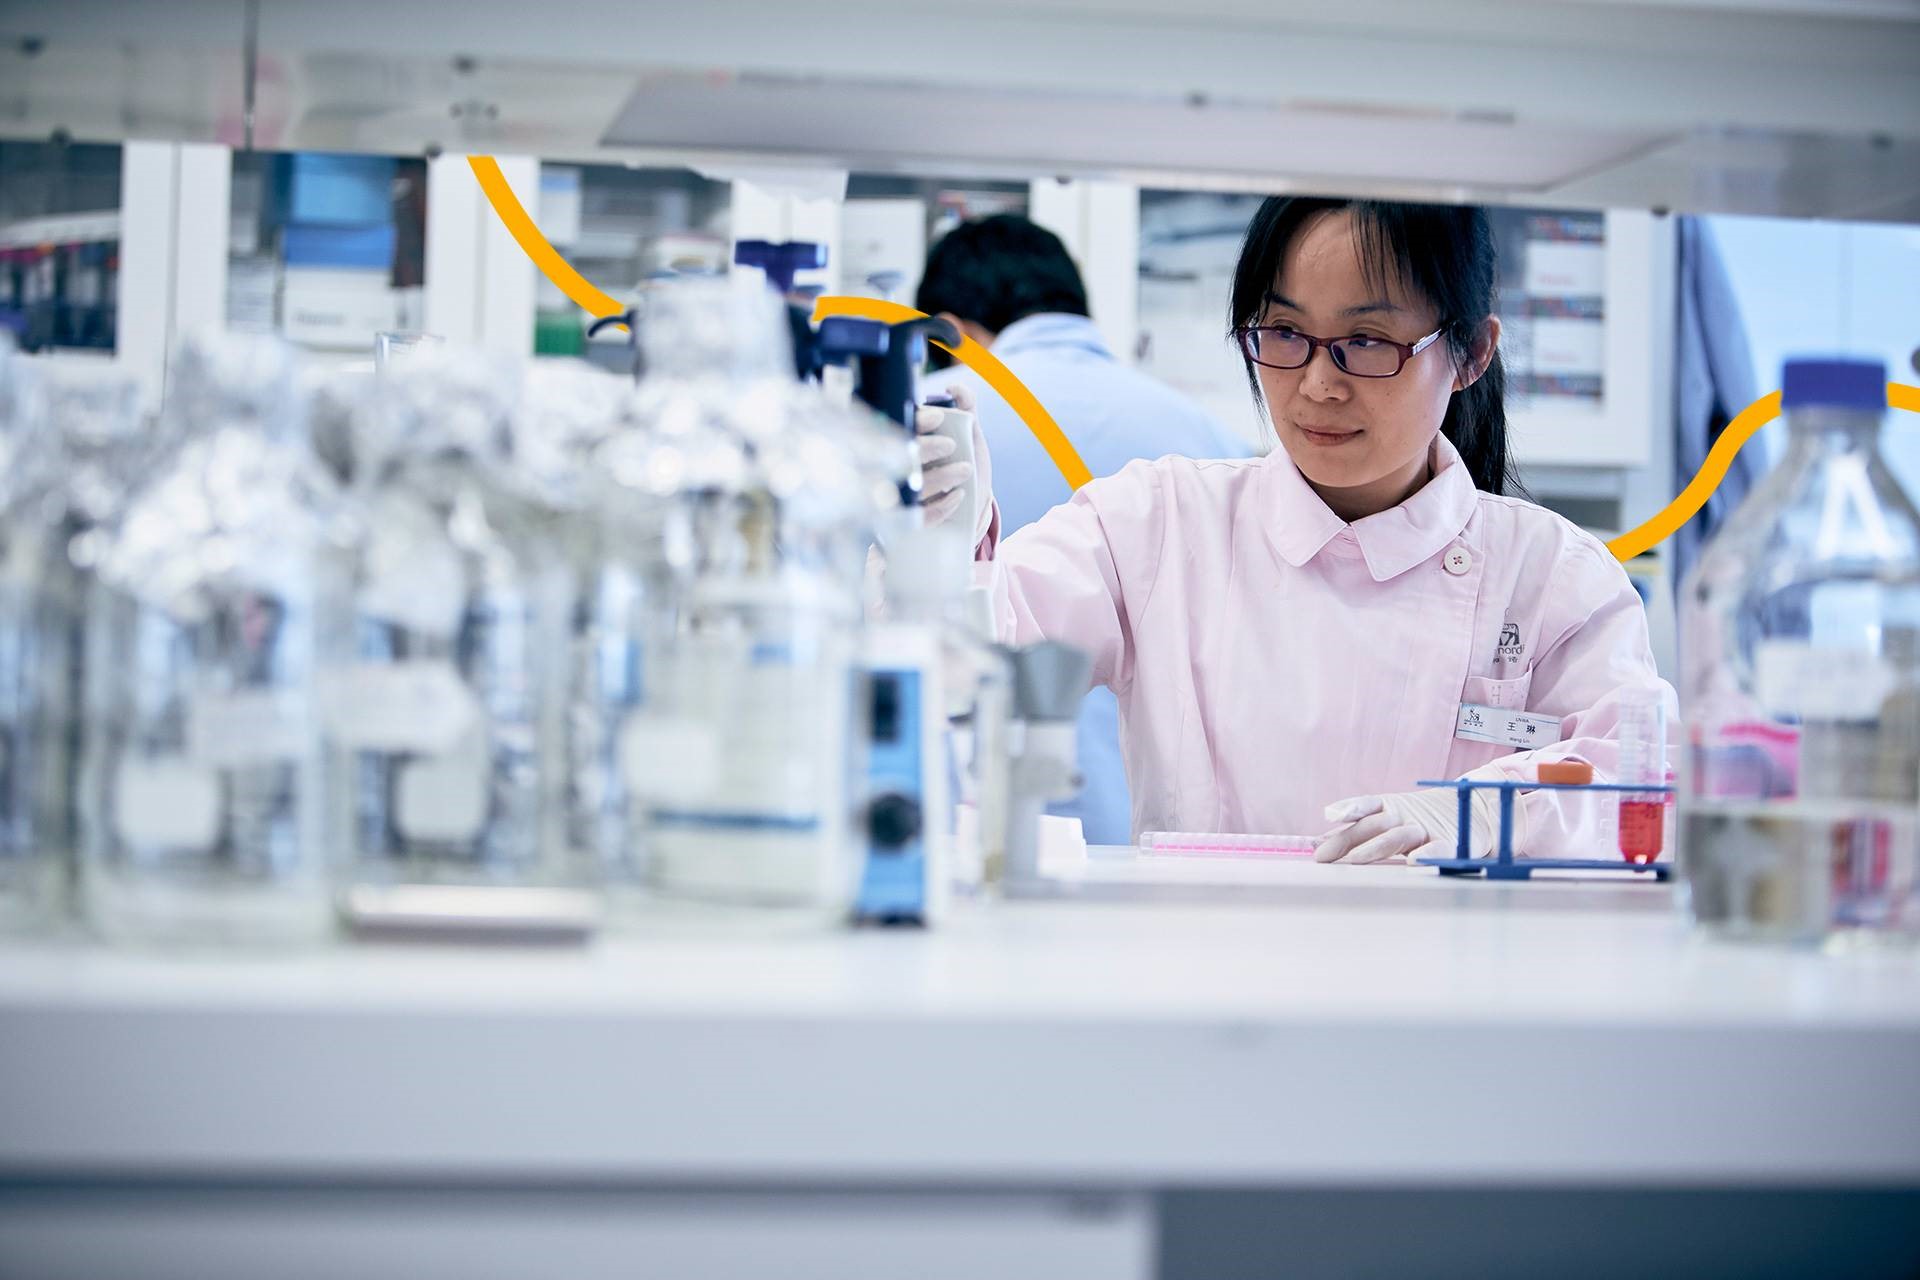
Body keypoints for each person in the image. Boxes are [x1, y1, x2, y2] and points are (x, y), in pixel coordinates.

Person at [915, 197, 1677, 863]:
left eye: (1368, 342)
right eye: (1283, 333)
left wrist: (1485, 815)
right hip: (1203, 983)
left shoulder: (1555, 578)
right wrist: (939, 555)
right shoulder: (1157, 524)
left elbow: (1642, 780)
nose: (1317, 383)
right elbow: (968, 668)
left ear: (1471, 352)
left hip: (1454, 989)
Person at [914, 215, 1253, 847]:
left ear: (951, 333)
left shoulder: (929, 419)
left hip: (964, 830)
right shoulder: (1210, 440)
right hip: (1152, 838)